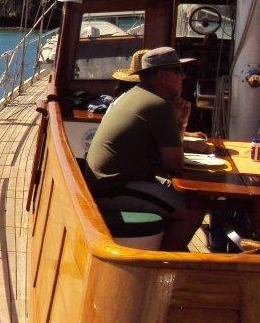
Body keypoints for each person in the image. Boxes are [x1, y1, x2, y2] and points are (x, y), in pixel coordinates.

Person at [85, 46, 204, 251]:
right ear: (161, 75)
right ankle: (162, 264)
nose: (183, 77)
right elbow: (174, 165)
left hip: (107, 181)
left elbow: (169, 155)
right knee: (192, 210)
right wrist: (181, 122)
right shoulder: (158, 105)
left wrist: (180, 123)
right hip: (113, 188)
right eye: (178, 71)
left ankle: (167, 249)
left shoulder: (134, 95)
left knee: (189, 198)